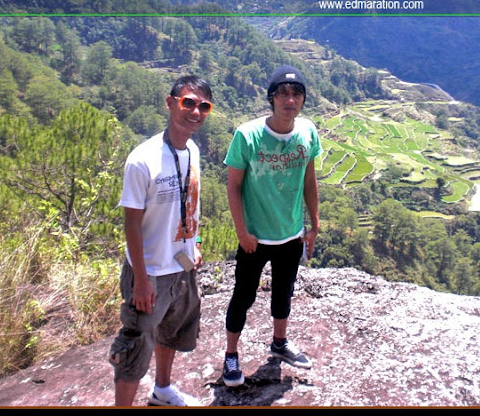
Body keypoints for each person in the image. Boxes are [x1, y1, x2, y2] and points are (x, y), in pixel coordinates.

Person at [109, 75, 213, 406]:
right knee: (135, 346)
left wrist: (193, 245)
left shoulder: (193, 151)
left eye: (203, 106)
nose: (195, 112)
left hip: (182, 266)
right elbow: (132, 223)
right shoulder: (143, 159)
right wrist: (141, 279)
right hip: (151, 270)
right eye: (188, 103)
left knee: (174, 331)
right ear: (170, 103)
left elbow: (189, 204)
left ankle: (163, 390)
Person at [222, 65, 322, 387]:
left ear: (303, 100)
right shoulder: (247, 135)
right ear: (271, 98)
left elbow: (309, 179)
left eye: (297, 94)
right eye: (283, 93)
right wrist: (242, 231)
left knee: (284, 292)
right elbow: (233, 186)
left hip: (291, 233)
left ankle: (279, 344)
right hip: (255, 236)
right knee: (243, 295)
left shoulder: (307, 132)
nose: (290, 100)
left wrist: (314, 224)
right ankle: (231, 355)